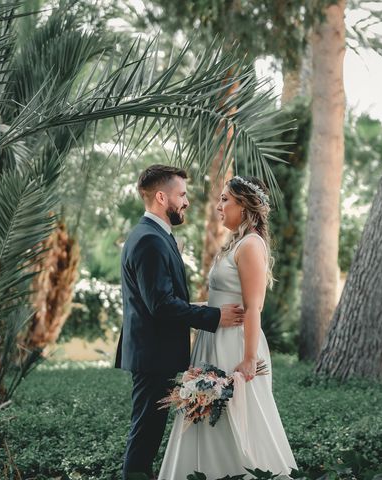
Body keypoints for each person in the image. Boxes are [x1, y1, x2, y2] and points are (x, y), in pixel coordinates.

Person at [158, 175, 297, 479]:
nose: (218, 206)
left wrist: (248, 358)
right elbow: (220, 300)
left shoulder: (250, 245)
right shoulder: (234, 243)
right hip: (213, 339)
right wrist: (192, 310)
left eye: (225, 200)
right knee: (205, 413)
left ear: (244, 207)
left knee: (236, 416)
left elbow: (253, 307)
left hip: (235, 344)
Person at [116, 164, 245, 480]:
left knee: (148, 429)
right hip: (152, 354)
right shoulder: (150, 240)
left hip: (153, 352)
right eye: (182, 195)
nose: (186, 202)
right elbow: (160, 305)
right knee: (145, 433)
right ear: (162, 197)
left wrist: (201, 305)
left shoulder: (154, 235)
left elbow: (158, 299)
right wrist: (213, 316)